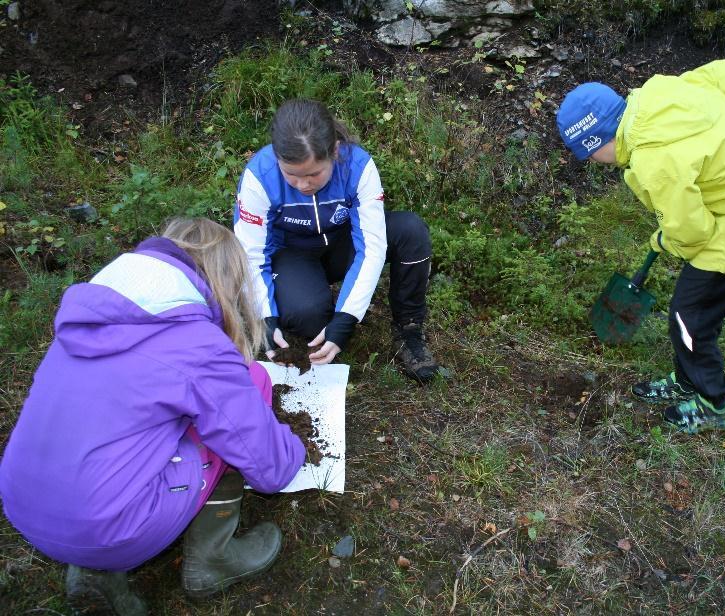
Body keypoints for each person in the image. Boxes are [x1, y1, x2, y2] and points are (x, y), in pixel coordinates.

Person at [0, 218, 307, 614]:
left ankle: (93, 568)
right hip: (110, 528)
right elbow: (272, 469)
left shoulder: (89, 315)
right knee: (255, 379)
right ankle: (214, 558)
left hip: (24, 507)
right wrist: (294, 449)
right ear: (225, 280)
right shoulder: (198, 345)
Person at [556, 59, 725, 434]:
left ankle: (716, 404)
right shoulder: (665, 93)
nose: (590, 161)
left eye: (586, 153)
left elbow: (692, 233)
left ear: (597, 138)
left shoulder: (654, 158)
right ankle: (688, 379)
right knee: (693, 308)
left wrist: (668, 237)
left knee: (689, 317)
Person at [234, 99, 439, 382]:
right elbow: (250, 254)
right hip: (293, 254)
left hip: (344, 244)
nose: (303, 185)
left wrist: (346, 318)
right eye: (291, 175)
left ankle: (409, 328)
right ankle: (306, 297)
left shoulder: (358, 166)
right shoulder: (260, 176)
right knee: (311, 318)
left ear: (334, 151)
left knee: (410, 230)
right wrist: (263, 319)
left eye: (314, 174)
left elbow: (372, 246)